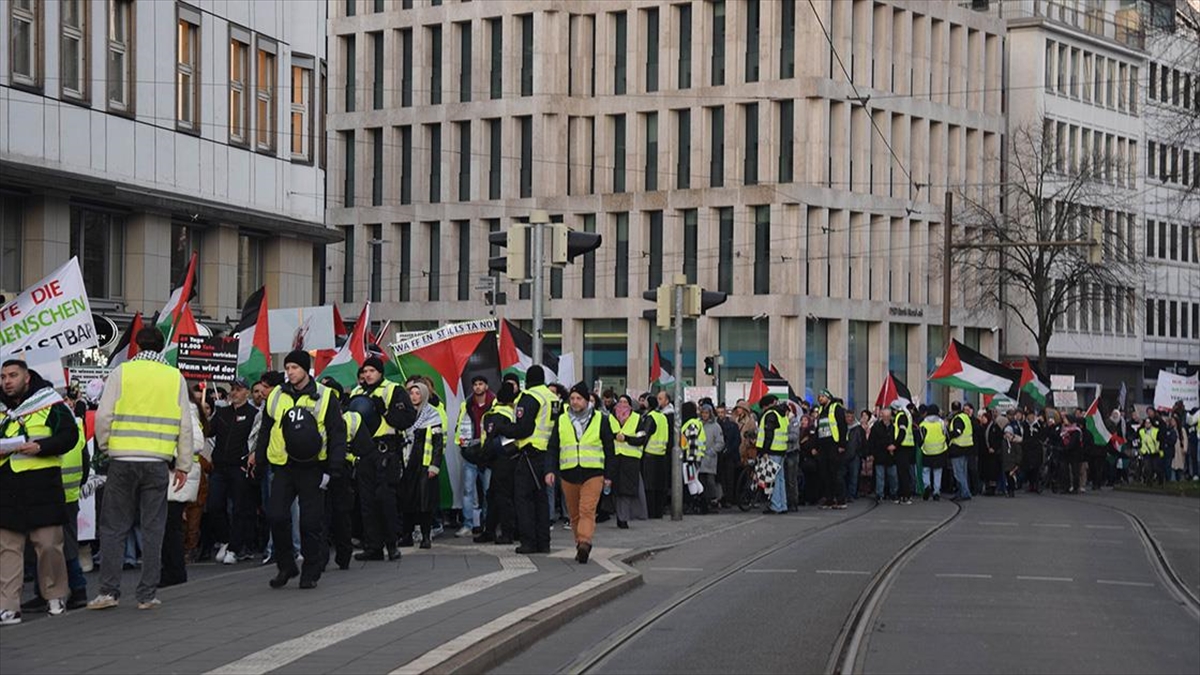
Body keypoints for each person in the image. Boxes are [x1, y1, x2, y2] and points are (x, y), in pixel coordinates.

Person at [89, 328, 192, 610]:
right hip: (157, 462)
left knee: (113, 526)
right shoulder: (175, 377)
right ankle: (147, 594)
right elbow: (185, 424)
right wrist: (183, 464)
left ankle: (108, 591)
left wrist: (107, 446)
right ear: (161, 347)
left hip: (122, 459)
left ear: (137, 345)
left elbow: (104, 415)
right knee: (153, 527)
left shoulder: (122, 372)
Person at [253, 350, 346, 590]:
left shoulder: (325, 396)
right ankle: (286, 565)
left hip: (313, 466)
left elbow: (337, 433)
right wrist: (260, 458)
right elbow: (266, 429)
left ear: (306, 369)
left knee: (310, 523)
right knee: (276, 516)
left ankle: (311, 570)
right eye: (288, 368)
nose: (290, 372)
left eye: (295, 367)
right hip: (283, 465)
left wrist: (333, 468)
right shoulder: (276, 395)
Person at [1, 361, 80, 624]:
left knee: (48, 546)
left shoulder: (49, 403)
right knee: (8, 549)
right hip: (7, 487)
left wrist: (41, 446)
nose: (7, 381)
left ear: (27, 377)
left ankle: (55, 595)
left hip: (42, 486)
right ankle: (8, 606)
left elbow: (69, 435)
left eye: (13, 375)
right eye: (3, 377)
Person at [547, 383, 615, 564]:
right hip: (568, 473)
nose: (575, 402)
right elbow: (553, 447)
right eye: (572, 399)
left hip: (593, 473)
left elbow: (610, 448)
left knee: (587, 509)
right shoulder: (562, 419)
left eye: (579, 398)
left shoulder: (601, 419)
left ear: (586, 400)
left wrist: (609, 475)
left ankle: (584, 542)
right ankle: (579, 543)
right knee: (574, 514)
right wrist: (549, 471)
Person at [206, 377, 257, 564]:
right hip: (220, 466)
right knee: (214, 505)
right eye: (232, 389)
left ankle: (235, 548)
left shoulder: (253, 414)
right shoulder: (222, 413)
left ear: (247, 392)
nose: (234, 392)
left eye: (238, 389)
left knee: (239, 508)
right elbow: (208, 432)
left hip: (239, 466)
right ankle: (226, 539)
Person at [507, 366, 557, 554]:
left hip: (530, 452)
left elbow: (523, 429)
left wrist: (503, 428)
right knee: (542, 500)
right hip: (548, 454)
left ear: (527, 379)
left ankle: (529, 542)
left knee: (524, 499)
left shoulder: (529, 397)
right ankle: (544, 542)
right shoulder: (552, 397)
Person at [396, 382, 444, 550]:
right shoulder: (405, 415)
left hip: (424, 464)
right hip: (407, 463)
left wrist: (434, 466)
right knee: (407, 501)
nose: (414, 396)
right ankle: (407, 536)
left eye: (418, 393)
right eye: (411, 393)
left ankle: (425, 537)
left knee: (425, 503)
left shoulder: (433, 415)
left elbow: (438, 444)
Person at [474, 381, 521, 544]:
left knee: (496, 496)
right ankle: (504, 531)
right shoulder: (513, 414)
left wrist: (483, 457)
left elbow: (487, 439)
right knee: (501, 496)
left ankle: (496, 531)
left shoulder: (490, 415)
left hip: (496, 460)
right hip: (510, 458)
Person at [455, 376, 495, 538]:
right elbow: (460, 426)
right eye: (475, 384)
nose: (478, 387)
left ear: (486, 386)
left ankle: (487, 524)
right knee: (468, 490)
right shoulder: (467, 405)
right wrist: (462, 444)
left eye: (481, 384)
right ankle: (468, 524)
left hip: (487, 454)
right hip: (470, 452)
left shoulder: (495, 404)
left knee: (488, 491)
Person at [609, 395, 648, 528]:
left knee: (626, 490)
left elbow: (642, 438)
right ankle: (619, 516)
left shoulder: (636, 419)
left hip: (630, 459)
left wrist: (626, 438)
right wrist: (615, 436)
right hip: (614, 457)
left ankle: (623, 517)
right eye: (620, 402)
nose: (622, 405)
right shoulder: (610, 417)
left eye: (625, 402)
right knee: (615, 490)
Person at [814, 390, 848, 509]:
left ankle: (841, 499)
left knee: (836, 474)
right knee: (825, 474)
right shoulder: (821, 410)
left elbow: (842, 426)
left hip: (834, 445)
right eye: (819, 397)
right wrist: (816, 446)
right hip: (824, 447)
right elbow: (818, 429)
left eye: (822, 396)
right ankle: (829, 499)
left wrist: (842, 444)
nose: (820, 399)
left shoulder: (836, 408)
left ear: (828, 397)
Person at [755, 395, 789, 514]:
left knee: (772, 479)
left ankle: (775, 505)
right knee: (780, 478)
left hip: (772, 450)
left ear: (766, 405)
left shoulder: (770, 414)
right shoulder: (782, 414)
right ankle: (782, 504)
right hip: (782, 449)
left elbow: (768, 434)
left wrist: (764, 451)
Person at [639, 395, 671, 519]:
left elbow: (646, 435)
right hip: (661, 455)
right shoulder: (663, 417)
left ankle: (651, 512)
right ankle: (659, 512)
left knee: (650, 486)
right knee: (659, 486)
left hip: (649, 455)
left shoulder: (650, 417)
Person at [945, 402, 973, 502]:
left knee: (958, 473)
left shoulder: (957, 419)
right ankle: (961, 492)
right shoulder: (965, 417)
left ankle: (965, 493)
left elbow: (957, 432)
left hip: (958, 448)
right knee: (963, 472)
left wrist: (947, 434)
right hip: (967, 448)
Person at [918, 405, 947, 501]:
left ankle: (927, 486)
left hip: (927, 450)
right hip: (940, 450)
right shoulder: (941, 423)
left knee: (926, 470)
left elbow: (920, 438)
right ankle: (936, 491)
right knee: (937, 471)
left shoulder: (923, 424)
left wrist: (921, 445)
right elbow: (946, 434)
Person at [699, 403, 724, 512]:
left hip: (710, 458)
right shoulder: (698, 424)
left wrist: (712, 451)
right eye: (703, 413)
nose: (704, 415)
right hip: (699, 457)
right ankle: (702, 501)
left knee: (710, 481)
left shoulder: (716, 426)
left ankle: (713, 500)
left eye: (706, 413)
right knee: (700, 480)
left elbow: (720, 442)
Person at [869, 408, 898, 503]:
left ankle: (893, 493)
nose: (886, 418)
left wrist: (894, 446)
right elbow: (872, 441)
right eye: (884, 416)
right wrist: (871, 453)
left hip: (891, 455)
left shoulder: (894, 427)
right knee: (880, 476)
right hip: (879, 454)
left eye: (887, 416)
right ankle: (879, 494)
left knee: (893, 475)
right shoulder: (876, 427)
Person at [844, 410, 868, 502]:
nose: (849, 419)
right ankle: (845, 493)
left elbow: (863, 442)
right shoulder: (842, 428)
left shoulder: (858, 429)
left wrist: (863, 454)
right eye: (847, 417)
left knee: (854, 476)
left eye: (850, 417)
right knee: (845, 475)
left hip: (855, 455)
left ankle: (851, 494)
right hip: (844, 455)